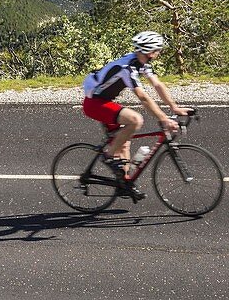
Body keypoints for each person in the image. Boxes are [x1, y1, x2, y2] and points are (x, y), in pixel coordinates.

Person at [81, 31, 190, 197]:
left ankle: (124, 184)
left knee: (124, 143)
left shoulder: (142, 62)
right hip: (94, 103)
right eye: (158, 50)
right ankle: (108, 157)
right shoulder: (127, 68)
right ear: (150, 51)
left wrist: (174, 108)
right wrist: (164, 118)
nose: (159, 53)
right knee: (135, 120)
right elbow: (143, 97)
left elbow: (157, 85)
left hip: (104, 101)